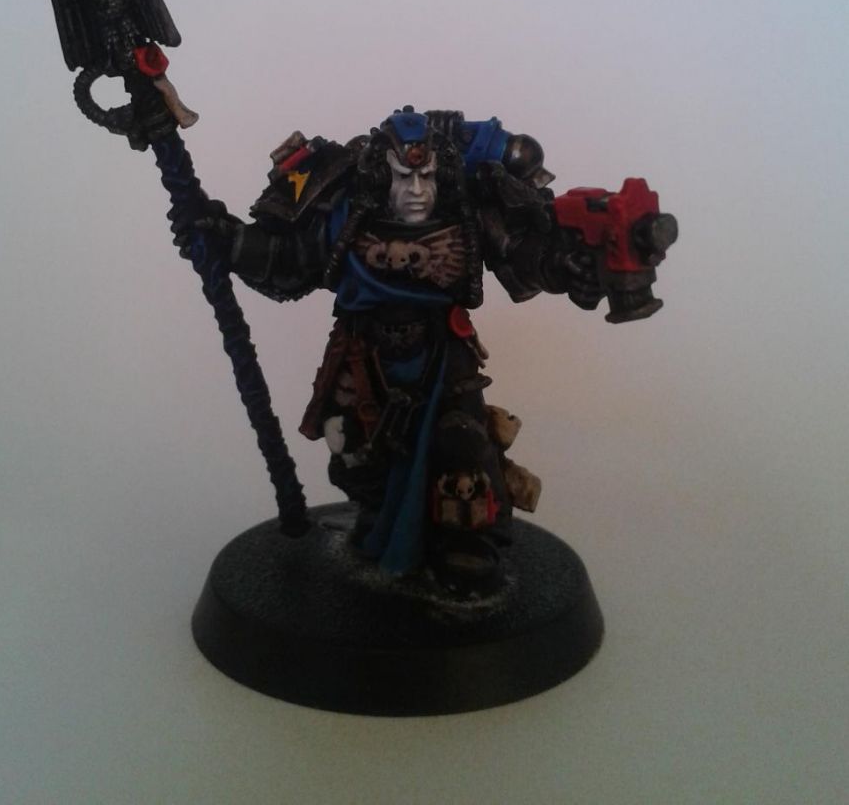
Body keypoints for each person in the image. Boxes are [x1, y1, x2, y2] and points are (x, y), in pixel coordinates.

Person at [176, 106, 657, 595]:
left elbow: (523, 253)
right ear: (380, 174)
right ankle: (380, 517)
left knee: (463, 444)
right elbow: (288, 259)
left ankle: (464, 543)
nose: (417, 191)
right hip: (363, 353)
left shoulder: (462, 209)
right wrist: (229, 240)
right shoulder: (346, 210)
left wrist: (566, 264)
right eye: (404, 177)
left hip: (442, 352)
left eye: (426, 176)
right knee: (353, 451)